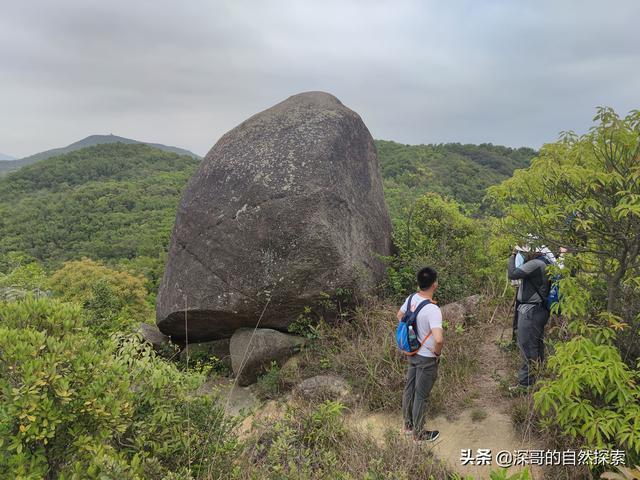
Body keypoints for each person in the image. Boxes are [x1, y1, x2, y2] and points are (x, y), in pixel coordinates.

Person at [397, 267, 444, 442]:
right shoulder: (433, 310)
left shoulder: (411, 299)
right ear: (435, 284)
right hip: (427, 358)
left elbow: (400, 315)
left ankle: (408, 426)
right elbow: (438, 339)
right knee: (421, 395)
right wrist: (437, 353)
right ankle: (418, 434)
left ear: (418, 283)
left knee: (409, 389)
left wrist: (413, 335)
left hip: (412, 352)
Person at [507, 248, 551, 391]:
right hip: (537, 310)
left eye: (523, 251)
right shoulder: (543, 262)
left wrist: (512, 256)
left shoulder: (536, 264)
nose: (522, 253)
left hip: (531, 311)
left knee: (527, 344)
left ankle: (526, 384)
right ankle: (537, 378)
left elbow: (513, 274)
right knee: (535, 344)